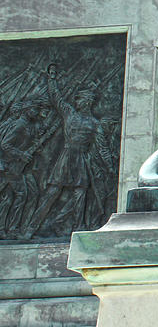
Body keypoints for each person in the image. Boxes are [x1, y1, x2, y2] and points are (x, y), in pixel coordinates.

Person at [24, 65, 100, 238]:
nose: (77, 102)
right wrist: (51, 79)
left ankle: (79, 227)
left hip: (80, 158)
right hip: (66, 157)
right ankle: (30, 228)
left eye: (80, 99)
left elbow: (100, 148)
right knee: (51, 193)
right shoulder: (69, 114)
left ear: (87, 102)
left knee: (80, 193)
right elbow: (56, 98)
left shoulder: (95, 124)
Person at [0, 96, 51, 237]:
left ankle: (10, 229)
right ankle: (11, 229)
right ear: (26, 110)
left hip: (17, 167)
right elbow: (5, 144)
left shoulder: (29, 126)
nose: (36, 112)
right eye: (34, 109)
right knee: (20, 195)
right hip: (10, 166)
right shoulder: (20, 125)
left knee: (12, 198)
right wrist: (21, 154)